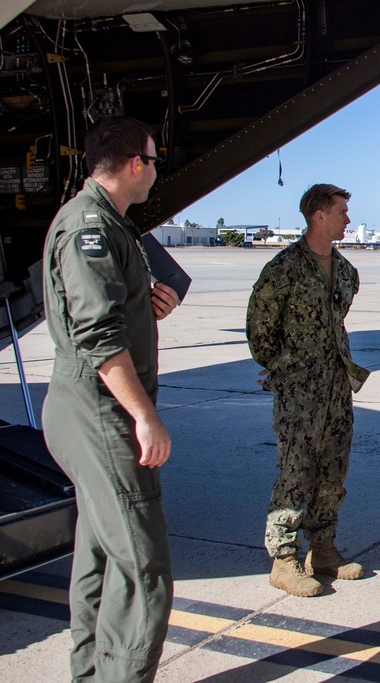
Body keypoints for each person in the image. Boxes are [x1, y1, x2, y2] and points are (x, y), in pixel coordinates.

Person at [42, 115, 180, 681]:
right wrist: (145, 417)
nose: (154, 172)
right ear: (133, 165)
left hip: (98, 408)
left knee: (99, 559)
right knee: (144, 569)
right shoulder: (89, 228)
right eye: (152, 160)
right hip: (103, 412)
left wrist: (144, 305)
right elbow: (96, 338)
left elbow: (103, 311)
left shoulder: (109, 224)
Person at [247, 184, 370, 597]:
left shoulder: (347, 271)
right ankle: (284, 559)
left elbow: (336, 321)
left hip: (336, 386)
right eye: (342, 212)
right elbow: (259, 329)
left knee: (334, 469)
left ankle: (323, 549)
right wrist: (282, 368)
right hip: (300, 391)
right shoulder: (283, 269)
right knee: (296, 469)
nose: (348, 220)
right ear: (319, 215)